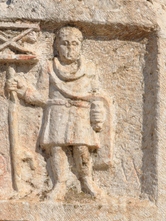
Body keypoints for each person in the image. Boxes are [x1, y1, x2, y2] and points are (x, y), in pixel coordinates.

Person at [7, 26, 108, 200]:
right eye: (65, 44)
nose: (70, 49)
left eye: (75, 44)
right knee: (56, 149)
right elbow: (42, 96)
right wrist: (22, 90)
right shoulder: (48, 67)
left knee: (82, 148)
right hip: (56, 112)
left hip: (81, 113)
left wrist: (99, 110)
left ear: (81, 46)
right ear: (56, 46)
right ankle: (59, 184)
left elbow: (97, 94)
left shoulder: (90, 68)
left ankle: (87, 181)